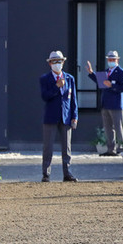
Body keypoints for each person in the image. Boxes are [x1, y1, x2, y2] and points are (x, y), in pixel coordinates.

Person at [40, 51, 78, 182]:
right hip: (50, 117)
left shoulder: (69, 78)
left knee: (66, 147)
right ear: (50, 63)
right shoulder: (45, 79)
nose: (57, 64)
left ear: (63, 62)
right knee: (48, 147)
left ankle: (67, 173)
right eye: (54, 61)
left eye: (59, 61)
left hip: (66, 116)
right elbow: (45, 96)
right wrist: (57, 87)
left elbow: (73, 99)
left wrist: (75, 116)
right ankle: (46, 173)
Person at [87, 50, 123, 156]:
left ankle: (120, 149)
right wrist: (91, 73)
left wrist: (112, 86)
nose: (111, 61)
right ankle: (111, 149)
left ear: (117, 60)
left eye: (113, 59)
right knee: (108, 128)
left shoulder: (120, 72)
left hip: (115, 105)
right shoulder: (106, 72)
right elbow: (99, 80)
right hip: (105, 104)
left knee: (118, 127)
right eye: (109, 59)